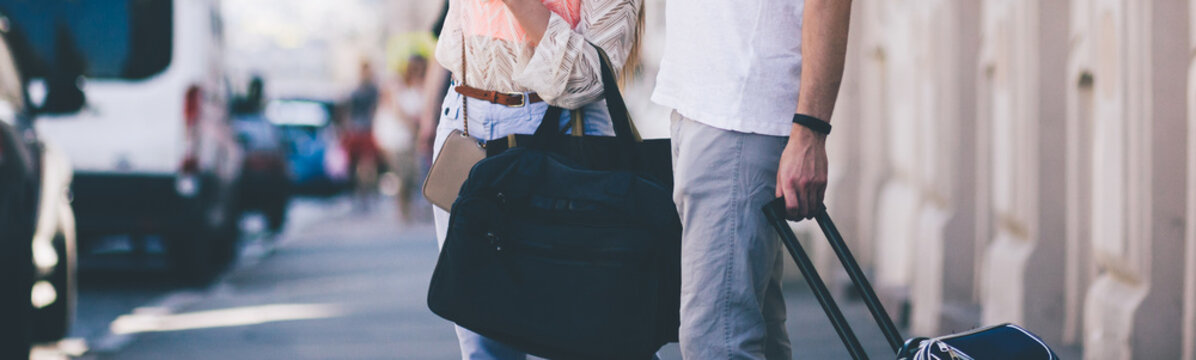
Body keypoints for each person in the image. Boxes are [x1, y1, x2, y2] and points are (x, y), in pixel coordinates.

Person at [430, 0, 645, 358]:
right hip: (464, 120)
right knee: (480, 339)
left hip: (559, 128)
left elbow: (589, 75)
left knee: (577, 330)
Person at [651, 0, 853, 359]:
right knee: (750, 332)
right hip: (703, 106)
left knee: (717, 341)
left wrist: (810, 130)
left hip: (740, 114)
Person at [345, 61, 382, 210]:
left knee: (366, 166)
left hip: (365, 130)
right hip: (359, 130)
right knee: (361, 166)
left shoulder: (370, 89)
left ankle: (366, 193)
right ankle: (363, 194)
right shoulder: (361, 89)